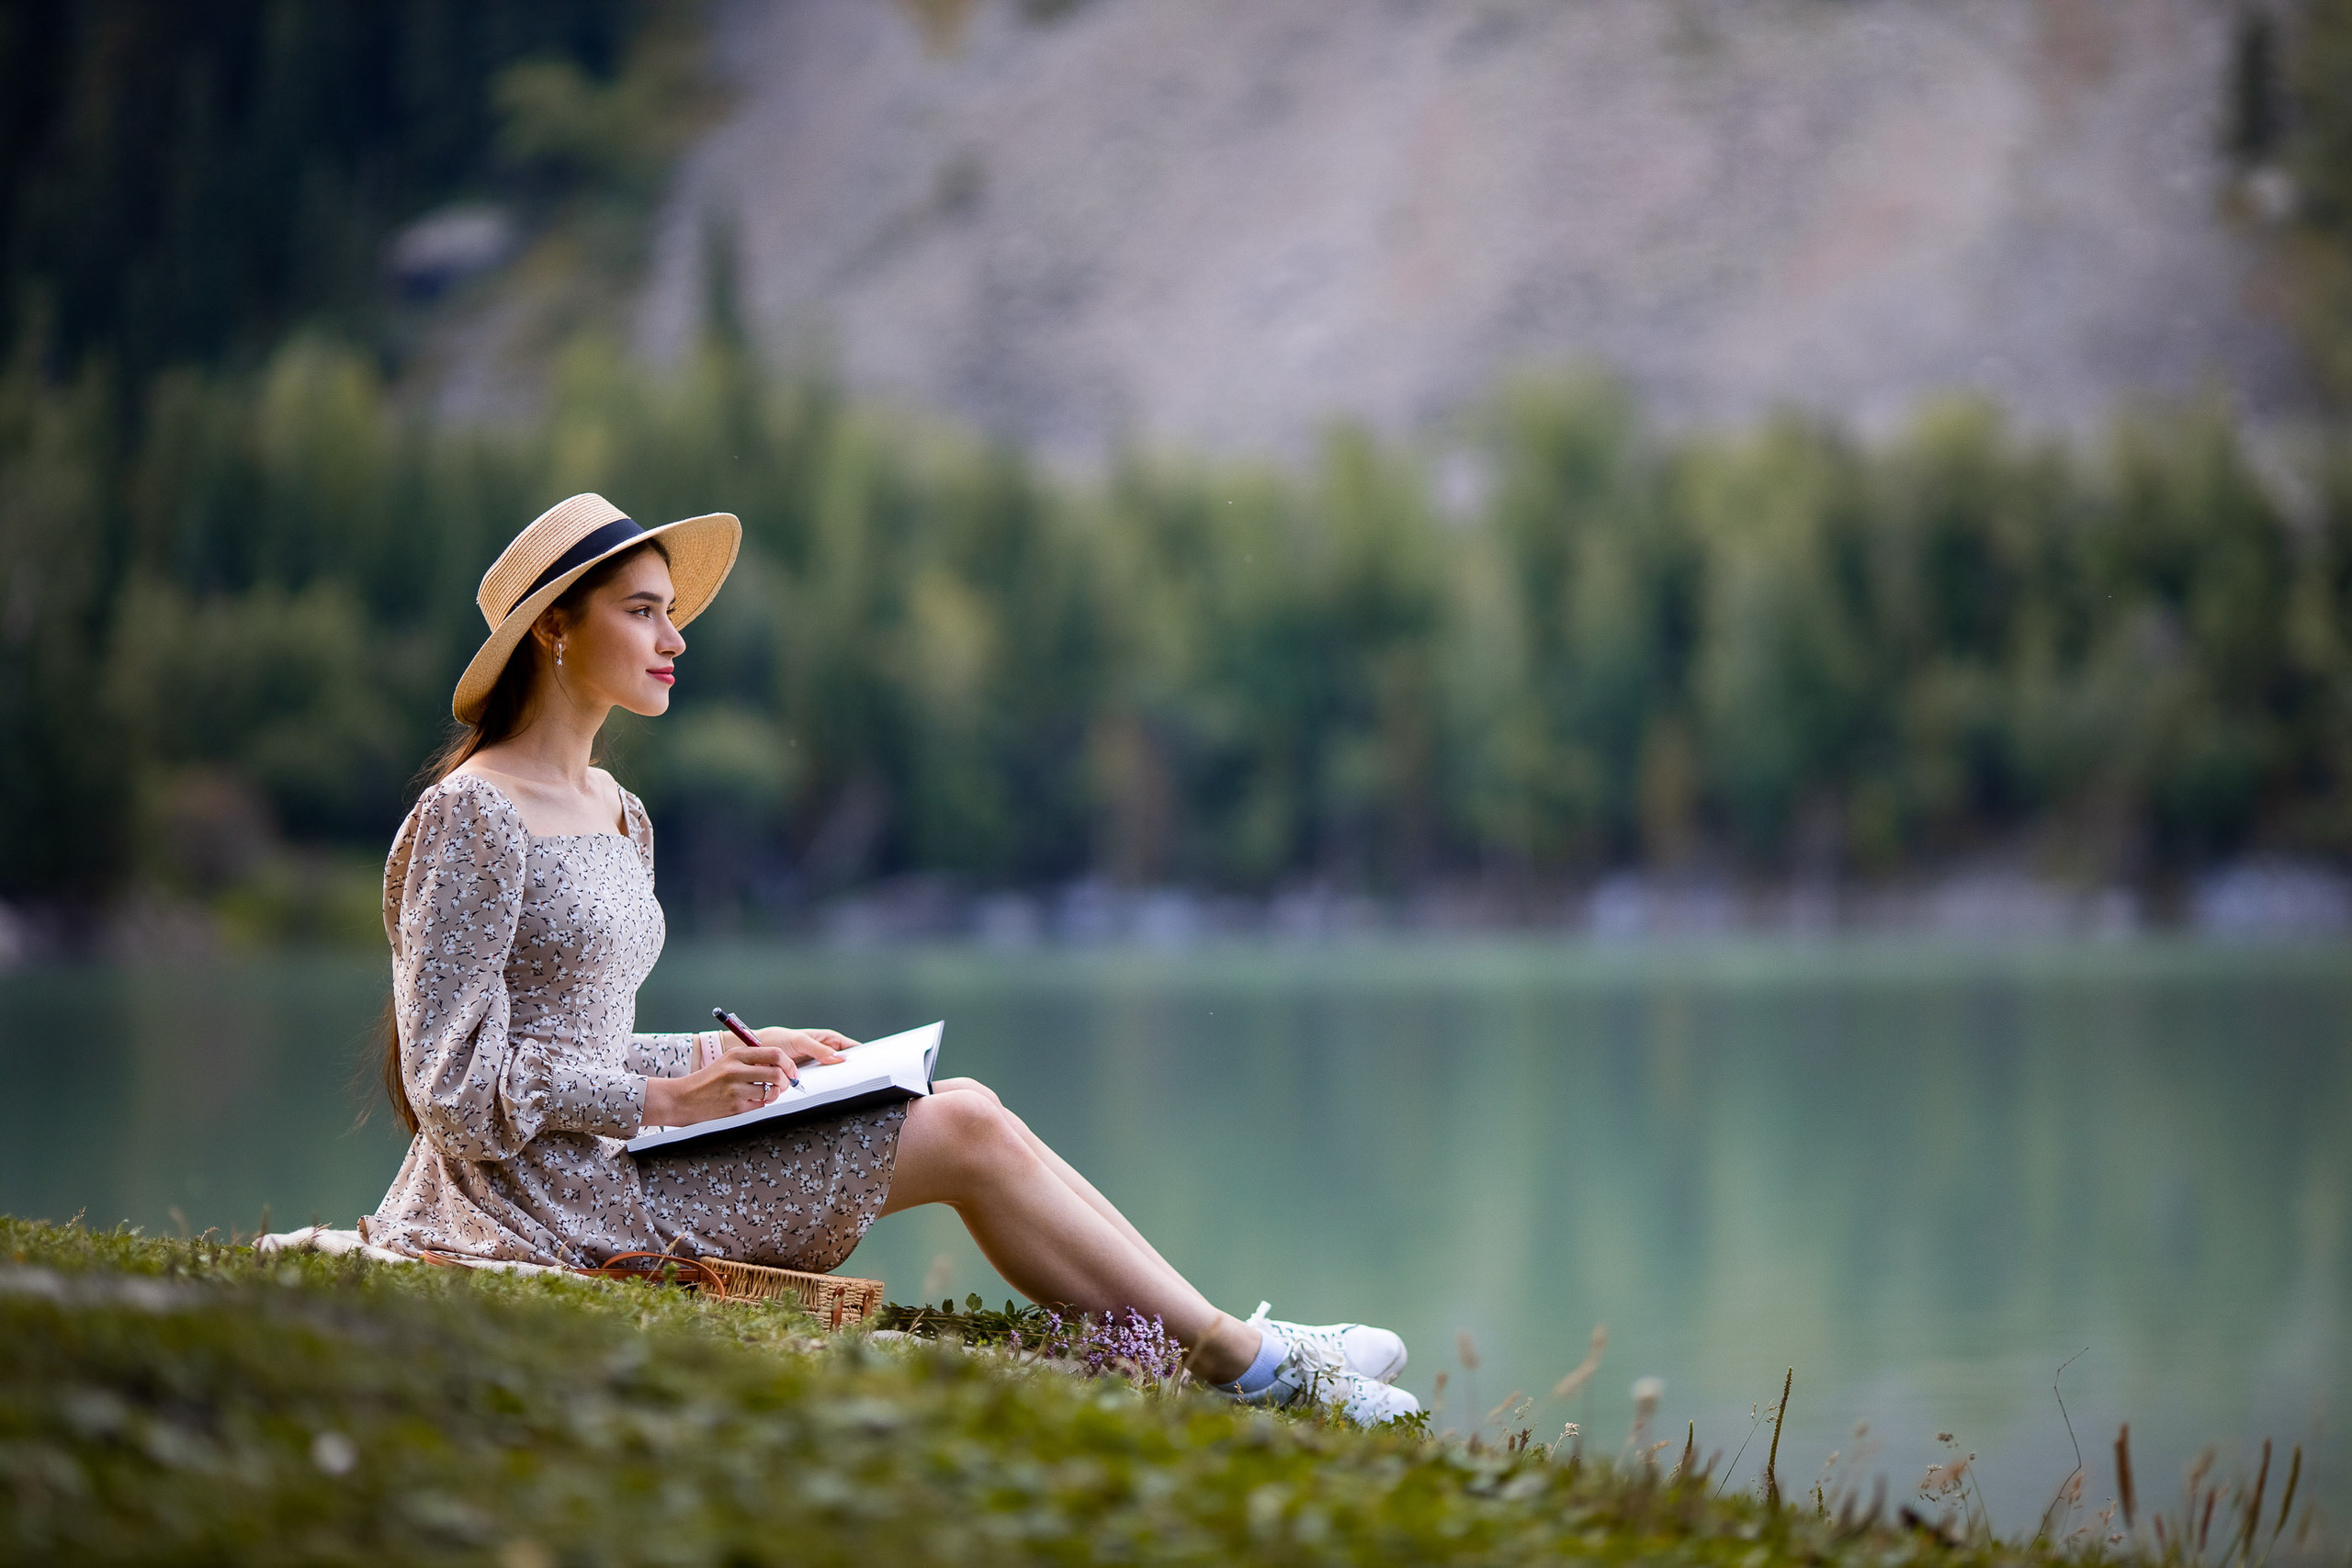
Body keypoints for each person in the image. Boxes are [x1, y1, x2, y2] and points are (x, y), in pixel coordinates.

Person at [365, 494, 1418, 1422]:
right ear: (554, 625)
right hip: (541, 1202)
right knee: (965, 1130)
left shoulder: (617, 810)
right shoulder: (473, 815)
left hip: (617, 1158)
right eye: (642, 611)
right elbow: (448, 1085)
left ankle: (1232, 1339)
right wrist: (666, 1102)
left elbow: (578, 1038)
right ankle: (1250, 1365)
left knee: (971, 1105)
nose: (674, 637)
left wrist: (725, 1057)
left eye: (671, 611)